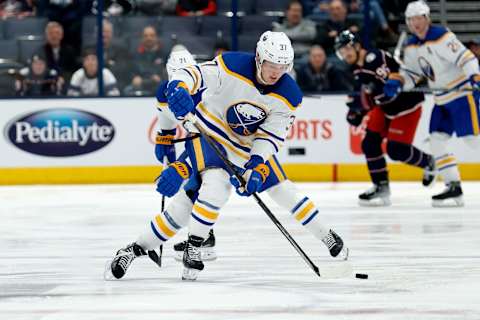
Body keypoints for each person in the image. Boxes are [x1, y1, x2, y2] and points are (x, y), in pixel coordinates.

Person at [106, 31, 349, 282]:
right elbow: (195, 75)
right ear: (258, 58)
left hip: (246, 149)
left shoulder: (289, 94)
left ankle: (326, 234)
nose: (276, 72)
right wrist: (171, 144)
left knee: (283, 190)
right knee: (207, 191)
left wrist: (255, 165)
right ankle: (172, 246)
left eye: (282, 66)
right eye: (271, 65)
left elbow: (271, 135)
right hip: (210, 134)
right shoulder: (231, 65)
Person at [384, 1, 480, 207]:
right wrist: (398, 82)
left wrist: (476, 78)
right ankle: (453, 186)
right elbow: (412, 74)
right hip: (441, 99)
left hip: (461, 95)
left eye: (419, 18)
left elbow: (467, 58)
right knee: (436, 140)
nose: (416, 23)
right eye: (411, 20)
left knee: (473, 140)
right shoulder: (411, 46)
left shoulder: (442, 36)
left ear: (427, 18)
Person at [335, 30, 435, 206]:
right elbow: (372, 95)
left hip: (406, 106)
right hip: (385, 106)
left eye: (347, 49)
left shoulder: (375, 58)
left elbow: (390, 92)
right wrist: (358, 111)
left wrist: (365, 105)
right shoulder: (357, 69)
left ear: (358, 45)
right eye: (341, 52)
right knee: (369, 143)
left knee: (396, 150)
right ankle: (381, 186)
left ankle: (429, 162)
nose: (345, 54)